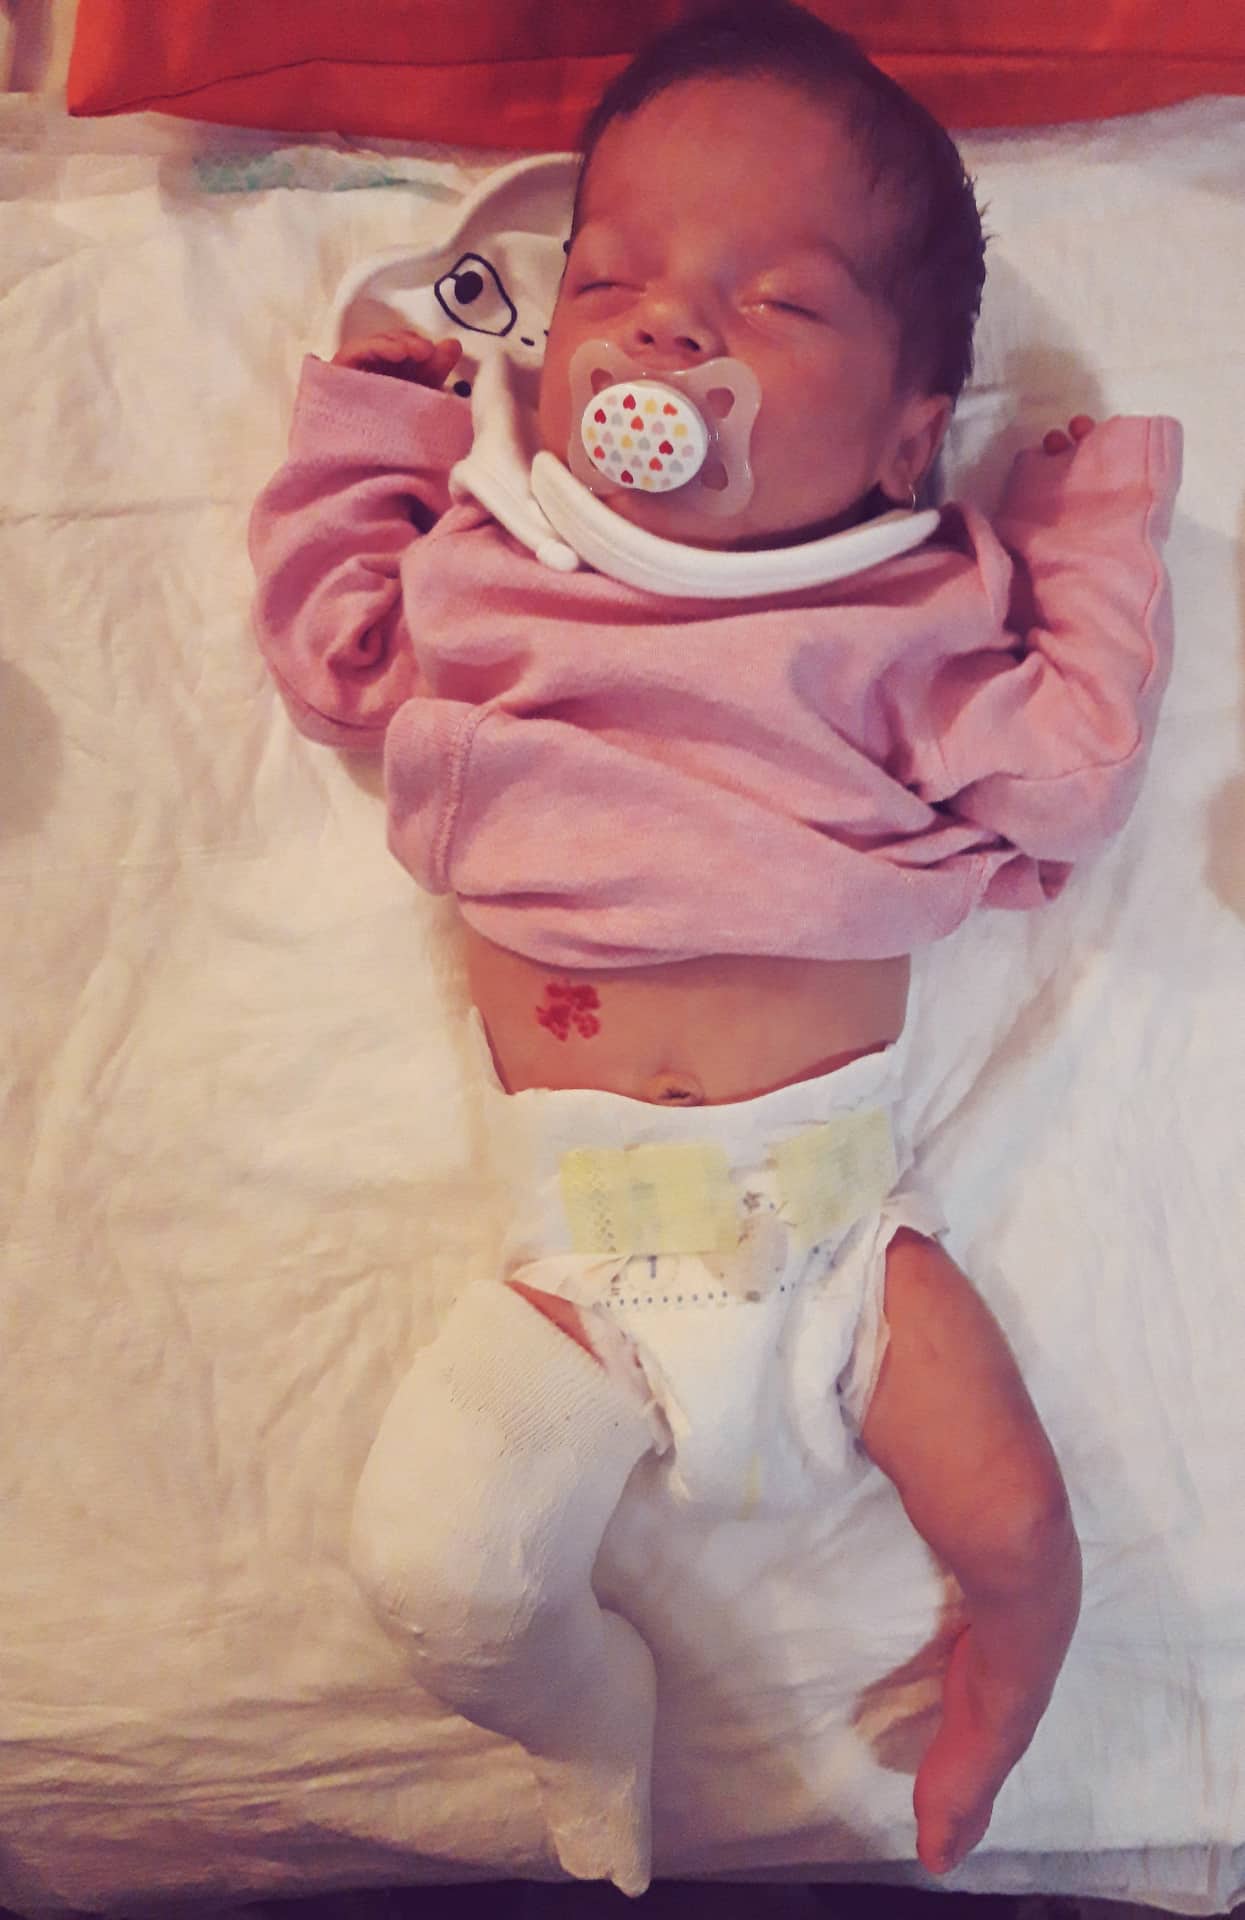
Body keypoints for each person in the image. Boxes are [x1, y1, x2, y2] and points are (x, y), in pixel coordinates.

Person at [249, 0, 1181, 1895]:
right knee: (441, 1578)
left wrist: (1082, 528)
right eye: (609, 280)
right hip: (573, 1274)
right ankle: (587, 1718)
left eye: (775, 302)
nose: (669, 329)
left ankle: (1007, 1688)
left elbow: (1068, 776)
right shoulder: (502, 575)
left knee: (1016, 1531)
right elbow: (339, 653)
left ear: (910, 434)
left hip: (841, 1246)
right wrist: (385, 422)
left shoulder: (906, 617)